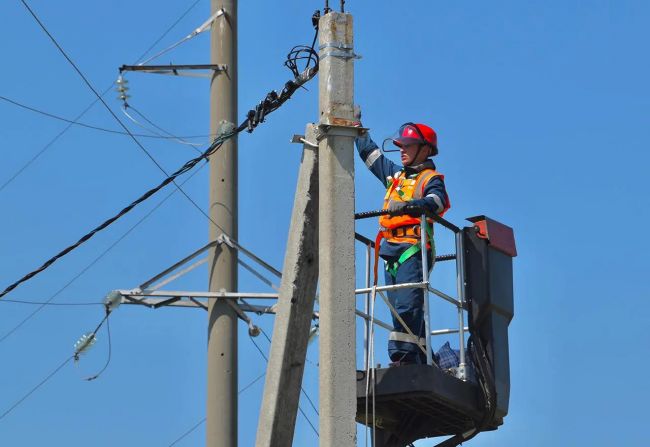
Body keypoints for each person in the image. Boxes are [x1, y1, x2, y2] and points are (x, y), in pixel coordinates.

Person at [355, 120, 450, 365]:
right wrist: (359, 131)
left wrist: (409, 206)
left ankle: (404, 360)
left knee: (408, 305)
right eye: (400, 145)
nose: (402, 149)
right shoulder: (396, 177)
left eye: (408, 145)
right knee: (400, 309)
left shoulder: (431, 179)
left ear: (425, 150)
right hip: (390, 252)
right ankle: (418, 356)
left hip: (412, 250)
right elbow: (373, 159)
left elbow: (437, 202)